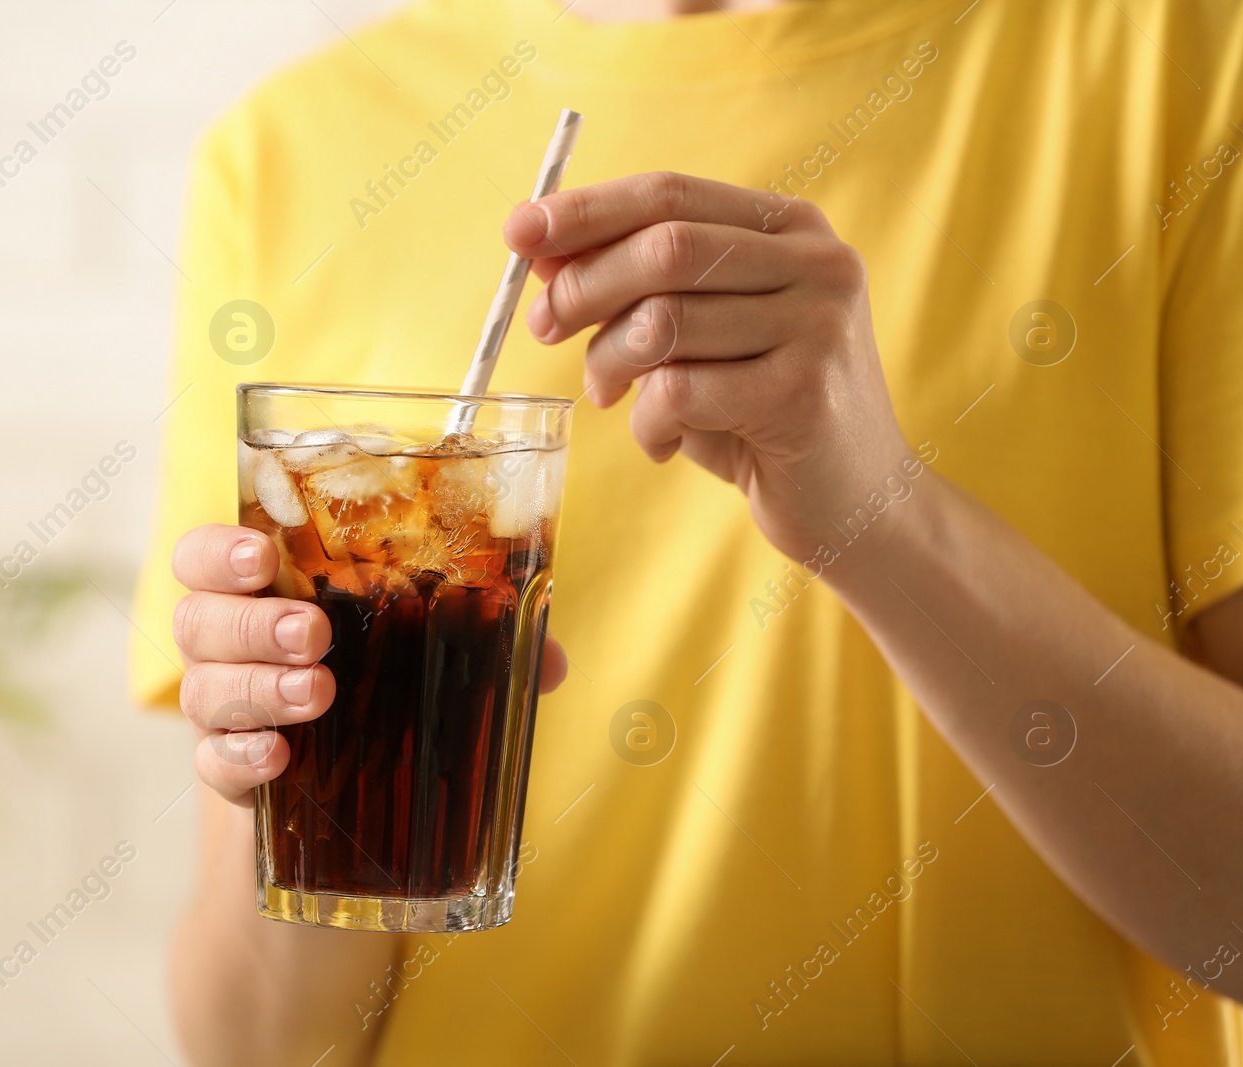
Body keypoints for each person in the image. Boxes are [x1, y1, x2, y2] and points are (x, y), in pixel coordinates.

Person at [131, 0, 1243, 1062]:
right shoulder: (284, 152)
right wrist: (314, 760)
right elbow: (260, 1044)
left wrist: (881, 514)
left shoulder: (1191, 74)